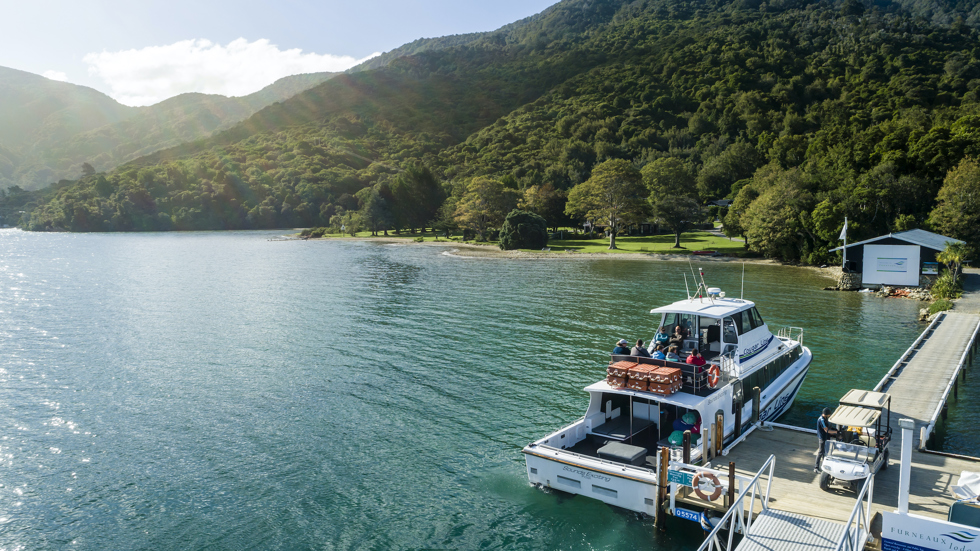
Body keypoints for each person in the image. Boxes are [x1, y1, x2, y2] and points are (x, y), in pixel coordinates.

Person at [815, 407, 838, 472]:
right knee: (820, 452)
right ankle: (816, 467)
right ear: (826, 414)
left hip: (826, 437)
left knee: (825, 452)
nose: (829, 415)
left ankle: (824, 465)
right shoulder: (822, 420)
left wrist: (833, 430)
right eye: (829, 414)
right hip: (822, 438)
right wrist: (836, 432)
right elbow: (826, 430)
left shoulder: (825, 418)